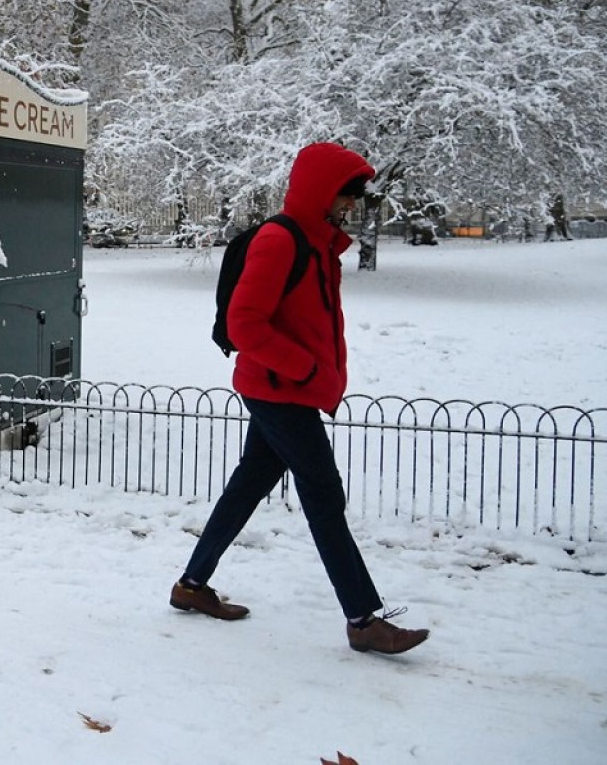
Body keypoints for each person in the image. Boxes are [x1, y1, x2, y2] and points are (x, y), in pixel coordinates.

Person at [170, 142, 429, 655]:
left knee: (249, 486)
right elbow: (245, 324)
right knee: (324, 494)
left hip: (286, 389)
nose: (351, 206)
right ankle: (363, 619)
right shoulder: (280, 241)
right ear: (321, 192)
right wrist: (307, 370)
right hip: (279, 391)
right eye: (345, 195)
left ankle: (191, 587)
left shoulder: (316, 244)